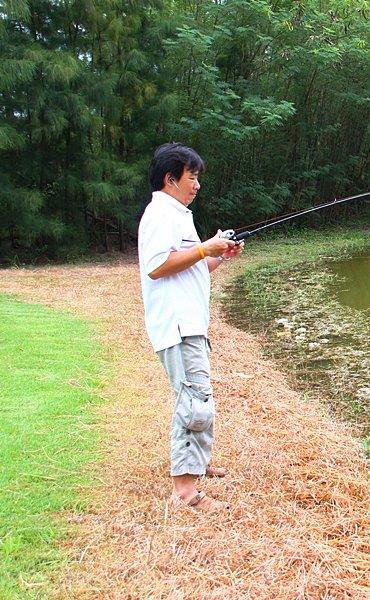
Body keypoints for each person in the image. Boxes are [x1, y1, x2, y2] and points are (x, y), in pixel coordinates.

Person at [138, 142, 243, 513]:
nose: (197, 185)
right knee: (193, 402)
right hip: (178, 327)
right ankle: (184, 492)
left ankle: (197, 463)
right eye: (192, 177)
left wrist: (217, 255)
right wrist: (204, 248)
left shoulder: (179, 215)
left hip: (191, 325)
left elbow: (189, 266)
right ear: (171, 179)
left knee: (198, 396)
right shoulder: (160, 215)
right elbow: (157, 265)